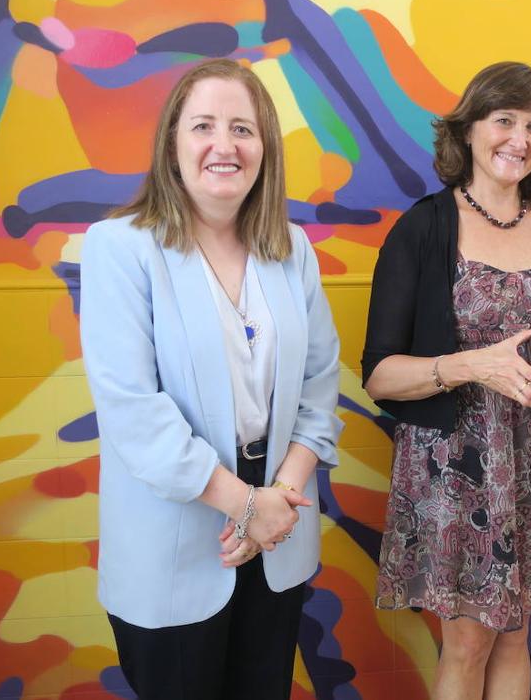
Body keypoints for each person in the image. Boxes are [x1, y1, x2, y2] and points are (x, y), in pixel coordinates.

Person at [80, 58, 343, 700]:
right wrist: (244, 506)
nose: (224, 146)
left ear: (265, 149)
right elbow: (134, 411)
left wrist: (276, 503)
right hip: (177, 540)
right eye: (203, 126)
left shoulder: (291, 248)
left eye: (242, 129)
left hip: (280, 526)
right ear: (174, 142)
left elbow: (320, 385)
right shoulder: (120, 247)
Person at [363, 61, 531, 700]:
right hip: (456, 469)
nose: (520, 138)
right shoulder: (424, 228)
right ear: (470, 128)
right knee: (469, 641)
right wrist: (471, 365)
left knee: (515, 634)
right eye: (505, 119)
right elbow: (380, 377)